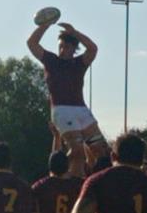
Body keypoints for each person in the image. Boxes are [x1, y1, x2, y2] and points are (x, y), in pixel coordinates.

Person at [26, 20, 109, 162]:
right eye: (60, 47)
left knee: (102, 151)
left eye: (66, 47)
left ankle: (95, 179)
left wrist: (74, 32)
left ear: (74, 48)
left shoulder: (79, 63)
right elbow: (32, 43)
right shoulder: (51, 60)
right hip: (62, 110)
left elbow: (93, 48)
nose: (62, 50)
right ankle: (58, 170)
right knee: (77, 152)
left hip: (81, 109)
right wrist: (45, 24)